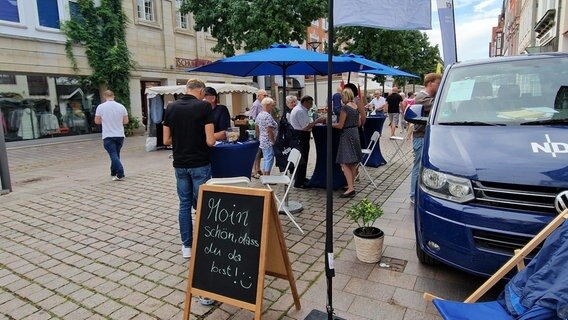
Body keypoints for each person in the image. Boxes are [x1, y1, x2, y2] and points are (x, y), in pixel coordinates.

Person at [162, 78, 215, 260]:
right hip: (199, 162)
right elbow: (210, 141)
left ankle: (187, 246)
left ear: (187, 89)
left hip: (180, 163)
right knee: (202, 204)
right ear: (200, 91)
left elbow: (166, 140)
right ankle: (204, 241)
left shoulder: (171, 107)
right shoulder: (204, 107)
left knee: (184, 204)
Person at [410, 73, 442, 204]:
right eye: (438, 84)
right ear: (430, 83)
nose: (440, 86)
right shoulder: (421, 98)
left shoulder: (429, 97)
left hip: (427, 137)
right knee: (418, 167)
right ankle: (413, 195)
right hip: (421, 137)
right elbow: (439, 104)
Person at [289, 95, 325, 188]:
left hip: (300, 135)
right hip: (301, 135)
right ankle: (299, 181)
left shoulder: (300, 110)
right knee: (302, 158)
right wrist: (317, 121)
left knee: (303, 157)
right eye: (310, 103)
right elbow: (305, 127)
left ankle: (302, 178)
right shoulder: (300, 111)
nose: (311, 105)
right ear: (304, 102)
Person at [332, 88, 362, 198]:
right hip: (355, 133)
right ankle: (351, 185)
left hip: (347, 135)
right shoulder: (355, 106)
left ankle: (350, 188)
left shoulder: (345, 107)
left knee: (344, 162)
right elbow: (359, 123)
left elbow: (340, 125)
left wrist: (329, 123)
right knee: (353, 162)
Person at [94, 90, 129, 181]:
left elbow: (97, 121)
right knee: (116, 153)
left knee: (113, 154)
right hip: (119, 134)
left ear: (104, 96)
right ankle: (113, 171)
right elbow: (126, 121)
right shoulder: (121, 107)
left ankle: (120, 172)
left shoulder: (101, 107)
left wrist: (105, 121)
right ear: (114, 96)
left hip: (108, 134)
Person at [274, 95, 298, 172]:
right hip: (285, 140)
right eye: (292, 102)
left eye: (295, 102)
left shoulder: (294, 111)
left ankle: (291, 172)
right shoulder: (286, 114)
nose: (294, 104)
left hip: (290, 139)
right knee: (285, 156)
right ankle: (285, 173)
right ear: (287, 103)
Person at [255, 97, 278, 175]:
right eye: (272, 105)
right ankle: (267, 174)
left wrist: (258, 137)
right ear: (268, 105)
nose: (272, 107)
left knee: (266, 157)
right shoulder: (267, 116)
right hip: (268, 140)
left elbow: (257, 127)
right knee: (269, 157)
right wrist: (273, 140)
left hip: (262, 139)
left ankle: (265, 173)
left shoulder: (260, 115)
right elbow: (269, 130)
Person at [250, 89, 269, 179]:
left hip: (262, 132)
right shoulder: (256, 105)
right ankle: (254, 170)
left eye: (266, 95)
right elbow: (252, 119)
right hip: (258, 132)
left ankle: (258, 168)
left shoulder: (262, 104)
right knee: (256, 152)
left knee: (260, 152)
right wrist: (256, 133)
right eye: (264, 95)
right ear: (258, 96)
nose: (266, 97)